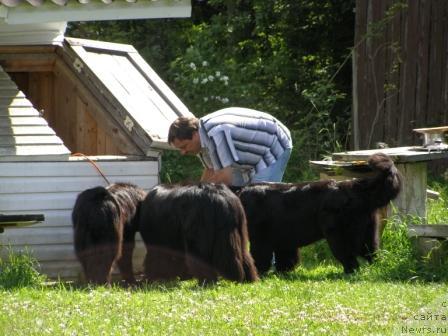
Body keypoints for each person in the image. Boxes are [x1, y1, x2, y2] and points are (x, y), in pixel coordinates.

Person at [167, 107, 293, 186]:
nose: (183, 152)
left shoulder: (216, 133)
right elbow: (211, 171)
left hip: (274, 143)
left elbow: (224, 179)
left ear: (194, 134)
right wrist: (196, 194)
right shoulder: (201, 138)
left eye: (184, 146)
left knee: (259, 202)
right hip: (249, 156)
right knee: (241, 197)